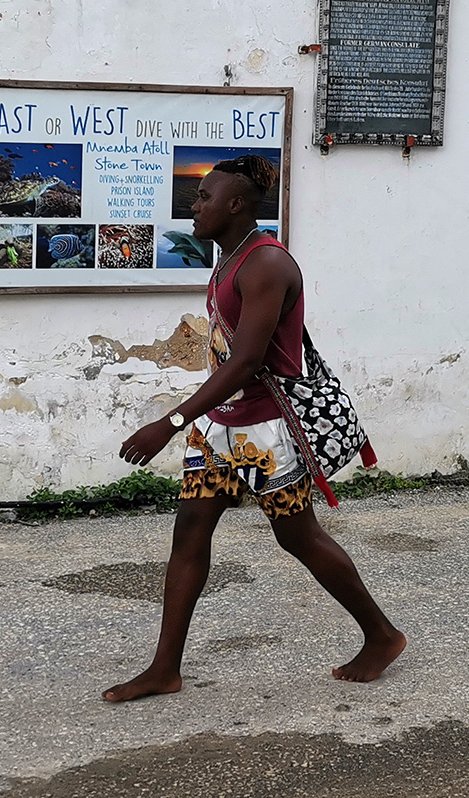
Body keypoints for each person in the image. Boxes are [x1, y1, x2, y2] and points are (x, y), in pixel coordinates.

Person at [103, 155, 405, 702]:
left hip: (265, 432)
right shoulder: (230, 258)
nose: (194, 207)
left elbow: (245, 363)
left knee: (300, 538)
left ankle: (381, 635)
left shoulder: (266, 265)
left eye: (204, 198)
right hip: (219, 427)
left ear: (236, 205)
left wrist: (169, 423)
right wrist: (196, 424)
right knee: (189, 534)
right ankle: (164, 669)